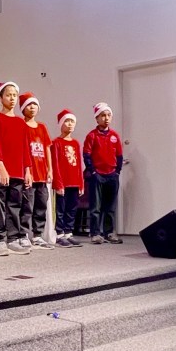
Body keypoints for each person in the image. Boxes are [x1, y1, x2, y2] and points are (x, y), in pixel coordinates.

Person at [0, 82, 32, 256]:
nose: (12, 98)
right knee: (0, 205)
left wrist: (27, 170)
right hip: (1, 171)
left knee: (15, 205)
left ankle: (13, 238)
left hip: (18, 171)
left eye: (14, 95)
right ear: (0, 98)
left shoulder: (21, 123)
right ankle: (0, 238)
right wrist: (1, 166)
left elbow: (25, 148)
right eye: (8, 95)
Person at [83, 102, 123, 244]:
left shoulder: (114, 136)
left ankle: (109, 232)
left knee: (110, 207)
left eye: (108, 115)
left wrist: (117, 172)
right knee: (96, 207)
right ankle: (95, 233)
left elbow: (119, 155)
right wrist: (93, 172)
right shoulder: (91, 136)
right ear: (97, 118)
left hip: (112, 175)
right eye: (103, 115)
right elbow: (87, 155)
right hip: (97, 175)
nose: (106, 118)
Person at [19, 92, 53, 249]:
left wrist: (50, 169)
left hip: (42, 174)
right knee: (27, 205)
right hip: (29, 174)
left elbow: (47, 149)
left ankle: (37, 234)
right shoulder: (21, 126)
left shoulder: (42, 127)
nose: (32, 107)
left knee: (41, 204)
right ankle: (24, 234)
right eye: (29, 105)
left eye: (34, 104)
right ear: (23, 108)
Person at [51, 109, 84, 248]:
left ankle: (68, 232)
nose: (70, 124)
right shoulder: (56, 143)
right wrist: (58, 183)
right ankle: (59, 234)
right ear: (61, 124)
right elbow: (55, 164)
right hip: (63, 182)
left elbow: (79, 165)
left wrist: (81, 183)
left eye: (72, 121)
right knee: (61, 209)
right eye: (67, 121)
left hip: (74, 182)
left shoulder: (76, 143)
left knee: (72, 208)